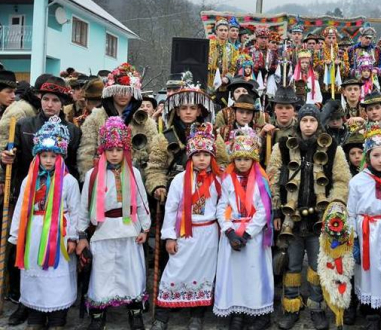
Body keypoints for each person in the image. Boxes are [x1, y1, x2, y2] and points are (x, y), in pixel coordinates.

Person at [267, 104, 351, 330]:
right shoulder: (282, 146)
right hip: (290, 219)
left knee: (317, 265)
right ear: (298, 121)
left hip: (319, 219)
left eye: (312, 121)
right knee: (292, 266)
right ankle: (291, 307)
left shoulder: (333, 148)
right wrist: (276, 209)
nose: (308, 125)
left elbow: (342, 180)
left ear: (318, 124)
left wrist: (334, 208)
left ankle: (316, 307)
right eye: (304, 121)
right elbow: (273, 179)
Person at [78, 117, 150, 330]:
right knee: (102, 273)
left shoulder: (133, 172)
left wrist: (145, 228)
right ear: (103, 150)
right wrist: (82, 234)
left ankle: (135, 312)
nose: (114, 154)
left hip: (129, 230)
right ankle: (98, 315)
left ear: (125, 149)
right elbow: (84, 207)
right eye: (110, 150)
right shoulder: (92, 175)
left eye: (119, 149)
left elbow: (142, 202)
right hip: (103, 230)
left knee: (131, 271)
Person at [9, 116, 80, 329]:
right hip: (33, 234)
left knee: (57, 276)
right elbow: (21, 207)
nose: (48, 160)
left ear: (61, 157)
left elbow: (76, 211)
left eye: (53, 156)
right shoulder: (29, 180)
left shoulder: (69, 181)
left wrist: (74, 237)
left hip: (59, 235)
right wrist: (16, 234)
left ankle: (58, 317)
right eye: (44, 155)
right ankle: (35, 316)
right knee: (34, 275)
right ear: (37, 156)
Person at [152, 123, 222, 330]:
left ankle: (196, 316)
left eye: (206, 154)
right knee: (174, 271)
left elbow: (223, 208)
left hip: (208, 234)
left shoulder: (219, 180)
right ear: (190, 156)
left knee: (204, 275)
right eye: (197, 154)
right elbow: (171, 210)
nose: (201, 158)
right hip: (184, 232)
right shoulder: (179, 180)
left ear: (212, 156)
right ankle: (162, 316)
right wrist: (170, 237)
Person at [214, 127, 274, 330]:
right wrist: (229, 232)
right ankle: (237, 312)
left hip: (253, 236)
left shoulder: (260, 181)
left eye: (246, 159)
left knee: (255, 273)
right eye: (238, 159)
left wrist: (247, 235)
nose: (242, 163)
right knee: (234, 275)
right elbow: (222, 207)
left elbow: (264, 210)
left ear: (253, 160)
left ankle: (260, 311)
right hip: (232, 234)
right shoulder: (228, 180)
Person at [347, 122, 381, 330]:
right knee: (368, 272)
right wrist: (353, 240)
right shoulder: (357, 181)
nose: (380, 160)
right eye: (376, 155)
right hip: (366, 232)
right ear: (367, 156)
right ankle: (371, 313)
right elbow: (351, 212)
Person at [77, 64, 158, 179]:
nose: (123, 95)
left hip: (135, 181)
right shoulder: (95, 118)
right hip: (101, 181)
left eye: (127, 91)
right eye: (118, 90)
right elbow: (86, 152)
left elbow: (154, 156)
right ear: (111, 91)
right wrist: (89, 181)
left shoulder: (146, 122)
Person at [145, 81, 221, 201]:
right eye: (183, 108)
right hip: (174, 193)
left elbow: (222, 164)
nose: (188, 112)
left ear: (199, 111)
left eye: (193, 108)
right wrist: (159, 186)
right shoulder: (163, 138)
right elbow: (155, 168)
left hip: (206, 192)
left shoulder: (212, 135)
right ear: (177, 111)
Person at [259, 85, 299, 167]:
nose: (284, 111)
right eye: (280, 108)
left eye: (288, 108)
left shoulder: (300, 129)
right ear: (274, 110)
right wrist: (261, 136)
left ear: (294, 110)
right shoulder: (265, 128)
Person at [208, 19, 238, 97]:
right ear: (216, 31)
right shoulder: (209, 45)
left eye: (225, 30)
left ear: (228, 32)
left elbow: (234, 67)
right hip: (209, 82)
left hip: (224, 85)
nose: (223, 32)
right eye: (221, 30)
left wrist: (227, 78)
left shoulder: (232, 49)